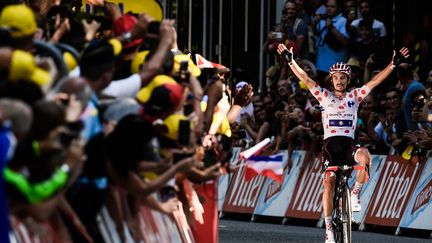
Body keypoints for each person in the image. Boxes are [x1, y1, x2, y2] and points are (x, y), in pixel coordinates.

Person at [277, 43, 409, 243]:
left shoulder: (354, 97)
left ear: (349, 80)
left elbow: (374, 82)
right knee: (328, 184)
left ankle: (355, 193)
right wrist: (291, 61)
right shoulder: (324, 96)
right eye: (336, 78)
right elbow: (305, 78)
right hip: (330, 147)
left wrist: (392, 65)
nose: (339, 81)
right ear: (331, 80)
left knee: (364, 156)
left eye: (343, 78)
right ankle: (329, 227)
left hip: (349, 146)